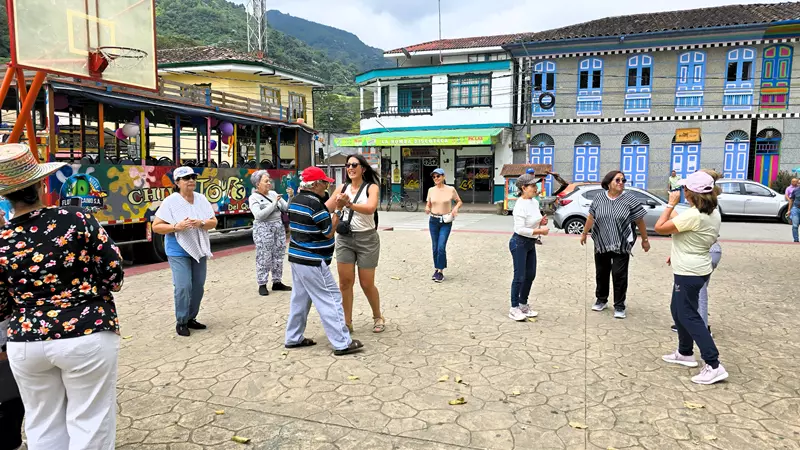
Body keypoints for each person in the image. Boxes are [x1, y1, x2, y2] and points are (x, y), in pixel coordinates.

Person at [0, 143, 124, 449]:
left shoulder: (1, 240)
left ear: (5, 195)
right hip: (87, 333)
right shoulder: (77, 219)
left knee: (42, 424)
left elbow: (1, 306)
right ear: (41, 184)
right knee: (91, 422)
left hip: (26, 343)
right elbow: (114, 274)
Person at [655, 171, 727, 385]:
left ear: (692, 193)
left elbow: (660, 228)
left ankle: (714, 364)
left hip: (689, 271)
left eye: (685, 189)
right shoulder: (710, 212)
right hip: (693, 267)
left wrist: (669, 205)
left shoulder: (695, 215)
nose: (682, 191)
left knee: (688, 315)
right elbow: (687, 230)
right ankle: (685, 352)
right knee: (677, 310)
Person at [285, 166, 363, 355]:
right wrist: (338, 210)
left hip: (297, 257)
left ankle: (293, 337)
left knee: (300, 299)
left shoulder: (295, 201)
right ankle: (342, 342)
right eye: (324, 183)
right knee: (331, 298)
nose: (326, 187)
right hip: (312, 259)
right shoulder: (315, 204)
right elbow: (328, 232)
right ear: (316, 184)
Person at [153, 166, 218, 337]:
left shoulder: (201, 199)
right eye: (186, 178)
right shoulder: (171, 202)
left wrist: (201, 223)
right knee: (183, 286)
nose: (191, 180)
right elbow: (156, 226)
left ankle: (191, 318)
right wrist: (176, 226)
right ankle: (181, 321)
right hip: (177, 249)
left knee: (198, 286)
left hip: (199, 247)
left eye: (193, 177)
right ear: (177, 182)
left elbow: (213, 222)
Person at [580, 170, 650, 319]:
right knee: (602, 273)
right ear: (609, 182)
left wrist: (645, 240)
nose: (621, 183)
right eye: (617, 180)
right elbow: (591, 217)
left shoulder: (629, 199)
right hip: (602, 242)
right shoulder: (599, 198)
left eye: (623, 180)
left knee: (619, 275)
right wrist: (584, 233)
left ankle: (619, 305)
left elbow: (639, 221)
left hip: (622, 243)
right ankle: (601, 299)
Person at [332, 155, 385, 333]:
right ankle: (347, 321)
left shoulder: (372, 187)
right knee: (345, 282)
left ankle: (378, 316)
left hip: (367, 239)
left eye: (354, 164)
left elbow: (371, 208)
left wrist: (349, 204)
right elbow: (328, 207)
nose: (350, 168)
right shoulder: (342, 188)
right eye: (348, 165)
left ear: (363, 168)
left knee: (366, 283)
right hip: (345, 239)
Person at [671, 170, 723, 334]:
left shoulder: (701, 209)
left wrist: (670, 205)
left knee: (697, 294)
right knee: (694, 295)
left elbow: (666, 226)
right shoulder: (711, 204)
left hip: (701, 254)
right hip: (705, 250)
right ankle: (690, 327)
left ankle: (701, 328)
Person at [508, 173, 549, 321]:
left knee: (530, 274)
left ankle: (523, 304)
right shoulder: (519, 205)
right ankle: (514, 308)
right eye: (532, 186)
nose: (535, 188)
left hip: (530, 243)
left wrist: (541, 222)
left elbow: (533, 221)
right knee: (519, 276)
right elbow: (520, 229)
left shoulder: (534, 202)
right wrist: (540, 231)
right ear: (523, 188)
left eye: (535, 185)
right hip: (519, 242)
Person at [249, 170, 293, 296]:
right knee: (264, 256)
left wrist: (290, 197)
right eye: (266, 181)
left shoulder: (273, 194)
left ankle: (277, 282)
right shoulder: (254, 198)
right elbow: (259, 215)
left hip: (278, 227)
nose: (269, 183)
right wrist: (274, 204)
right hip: (263, 228)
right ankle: (262, 283)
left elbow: (286, 208)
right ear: (258, 184)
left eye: (269, 181)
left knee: (278, 254)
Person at [425, 168, 463, 283]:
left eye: (438, 176)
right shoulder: (431, 190)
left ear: (443, 177)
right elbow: (428, 204)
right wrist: (427, 207)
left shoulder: (450, 189)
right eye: (434, 177)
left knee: (441, 246)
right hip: (433, 221)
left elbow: (459, 201)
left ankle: (440, 271)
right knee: (435, 246)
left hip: (446, 221)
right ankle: (437, 269)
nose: (436, 178)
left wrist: (455, 208)